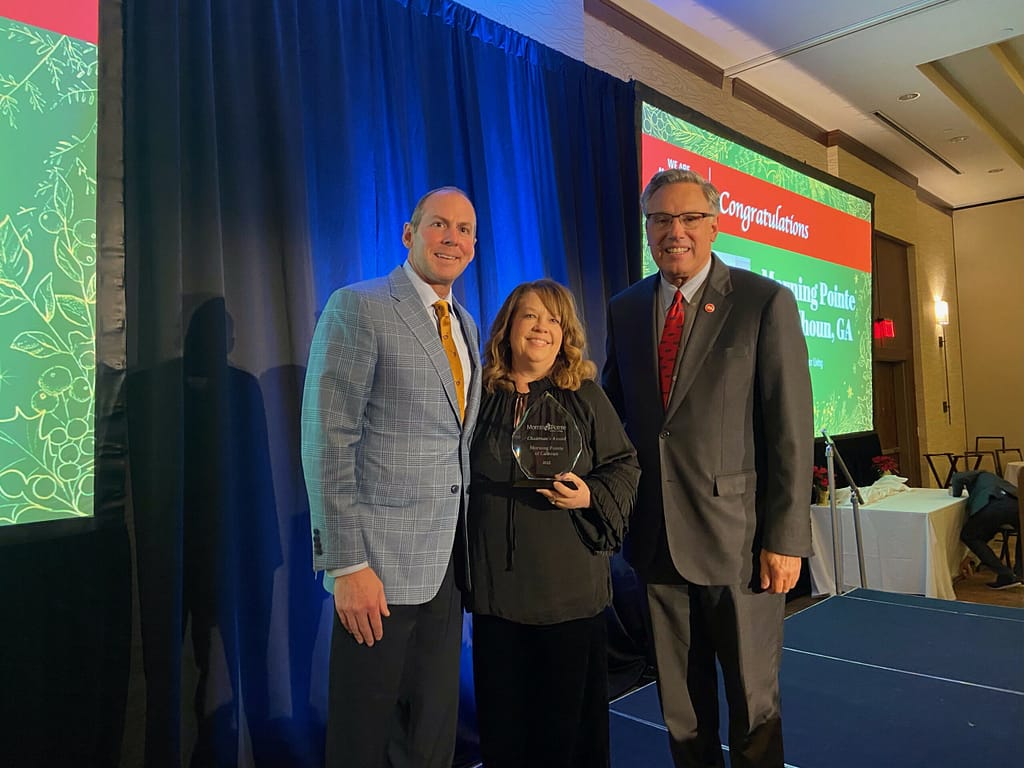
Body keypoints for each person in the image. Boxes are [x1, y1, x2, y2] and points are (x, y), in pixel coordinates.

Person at [602, 169, 814, 768]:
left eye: (690, 218)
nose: (676, 232)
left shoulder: (763, 300)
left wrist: (785, 537)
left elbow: (789, 433)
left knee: (754, 706)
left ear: (715, 224)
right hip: (658, 544)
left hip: (742, 547)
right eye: (661, 219)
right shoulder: (625, 309)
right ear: (647, 228)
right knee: (683, 713)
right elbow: (611, 415)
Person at [301, 186, 480, 768]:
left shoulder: (467, 327)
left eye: (464, 229)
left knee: (429, 740)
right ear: (409, 234)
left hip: (446, 572)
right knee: (359, 741)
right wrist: (346, 565)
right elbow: (329, 440)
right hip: (375, 571)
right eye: (439, 225)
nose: (452, 237)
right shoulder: (360, 306)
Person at [466, 279, 640, 768]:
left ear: (565, 335)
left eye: (554, 320)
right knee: (505, 731)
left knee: (567, 736)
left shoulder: (583, 394)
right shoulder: (478, 394)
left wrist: (590, 495)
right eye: (531, 317)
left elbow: (625, 465)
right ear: (508, 326)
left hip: (568, 594)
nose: (542, 329)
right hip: (497, 596)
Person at [952, 469, 1022, 589]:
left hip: (991, 504)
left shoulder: (979, 474)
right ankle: (1020, 572)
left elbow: (957, 478)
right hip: (1017, 504)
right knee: (1022, 532)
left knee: (969, 535)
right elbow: (987, 535)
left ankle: (1005, 574)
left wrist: (956, 493)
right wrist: (969, 558)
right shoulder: (996, 479)